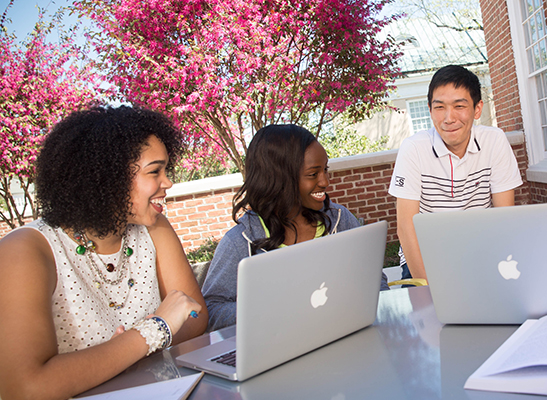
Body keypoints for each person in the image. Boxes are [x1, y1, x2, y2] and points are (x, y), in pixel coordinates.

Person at [0, 106, 206, 399]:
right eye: (154, 171)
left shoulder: (155, 228)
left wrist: (115, 356)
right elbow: (24, 388)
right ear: (108, 177)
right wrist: (153, 332)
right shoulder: (25, 250)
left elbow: (195, 315)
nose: (168, 182)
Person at [203, 124, 389, 331]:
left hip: (345, 335)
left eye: (325, 170)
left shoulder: (339, 219)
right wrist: (266, 311)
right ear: (280, 178)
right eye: (312, 174)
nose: (325, 182)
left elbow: (374, 279)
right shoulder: (240, 241)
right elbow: (212, 310)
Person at [389, 65, 524, 281]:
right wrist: (428, 289)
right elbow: (405, 229)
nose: (449, 118)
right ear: (430, 109)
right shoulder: (413, 148)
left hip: (481, 255)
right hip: (426, 260)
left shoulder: (495, 141)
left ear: (477, 109)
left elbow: (504, 219)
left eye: (459, 106)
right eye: (439, 107)